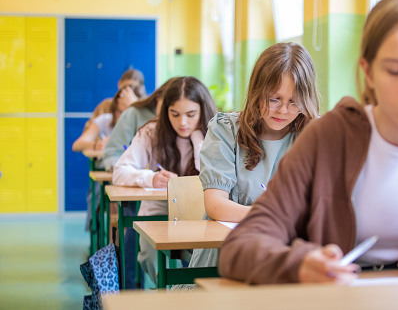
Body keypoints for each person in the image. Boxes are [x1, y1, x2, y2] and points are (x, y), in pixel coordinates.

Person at [218, 0, 398, 285]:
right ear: (368, 73)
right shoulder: (330, 136)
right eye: (395, 71)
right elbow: (241, 246)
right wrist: (298, 263)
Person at [178, 42, 320, 284]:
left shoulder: (312, 134)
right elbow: (216, 205)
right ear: (257, 91)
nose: (283, 110)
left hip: (287, 254)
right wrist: (274, 216)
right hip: (226, 256)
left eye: (294, 101)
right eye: (274, 99)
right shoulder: (226, 130)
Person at [112, 76, 217, 284]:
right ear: (165, 111)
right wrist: (151, 178)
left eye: (191, 115)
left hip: (199, 212)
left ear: (202, 112)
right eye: (174, 114)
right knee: (151, 256)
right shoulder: (151, 132)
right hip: (158, 211)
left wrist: (198, 139)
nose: (182, 123)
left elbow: (211, 173)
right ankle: (168, 294)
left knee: (205, 260)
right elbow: (119, 171)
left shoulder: (213, 134)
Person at [72, 86, 139, 152]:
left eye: (126, 112)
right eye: (119, 111)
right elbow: (77, 145)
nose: (122, 117)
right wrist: (97, 145)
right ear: (113, 110)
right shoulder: (105, 120)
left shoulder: (139, 125)